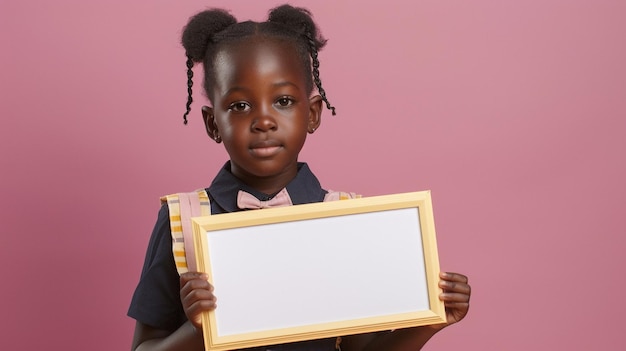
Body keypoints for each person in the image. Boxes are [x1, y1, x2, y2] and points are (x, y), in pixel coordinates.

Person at [128, 4, 471, 351]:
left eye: (284, 100)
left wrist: (431, 323)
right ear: (212, 123)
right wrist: (198, 329)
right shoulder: (181, 219)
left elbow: (360, 349)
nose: (263, 120)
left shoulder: (347, 219)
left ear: (313, 114)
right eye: (240, 106)